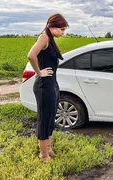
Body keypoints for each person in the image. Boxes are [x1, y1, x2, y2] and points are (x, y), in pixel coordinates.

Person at [27, 13, 68, 162]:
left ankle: (49, 147)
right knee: (44, 119)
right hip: (44, 85)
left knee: (51, 117)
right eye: (61, 29)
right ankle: (43, 155)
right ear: (52, 26)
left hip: (52, 84)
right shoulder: (44, 37)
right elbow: (31, 55)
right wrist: (39, 72)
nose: (63, 33)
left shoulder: (50, 39)